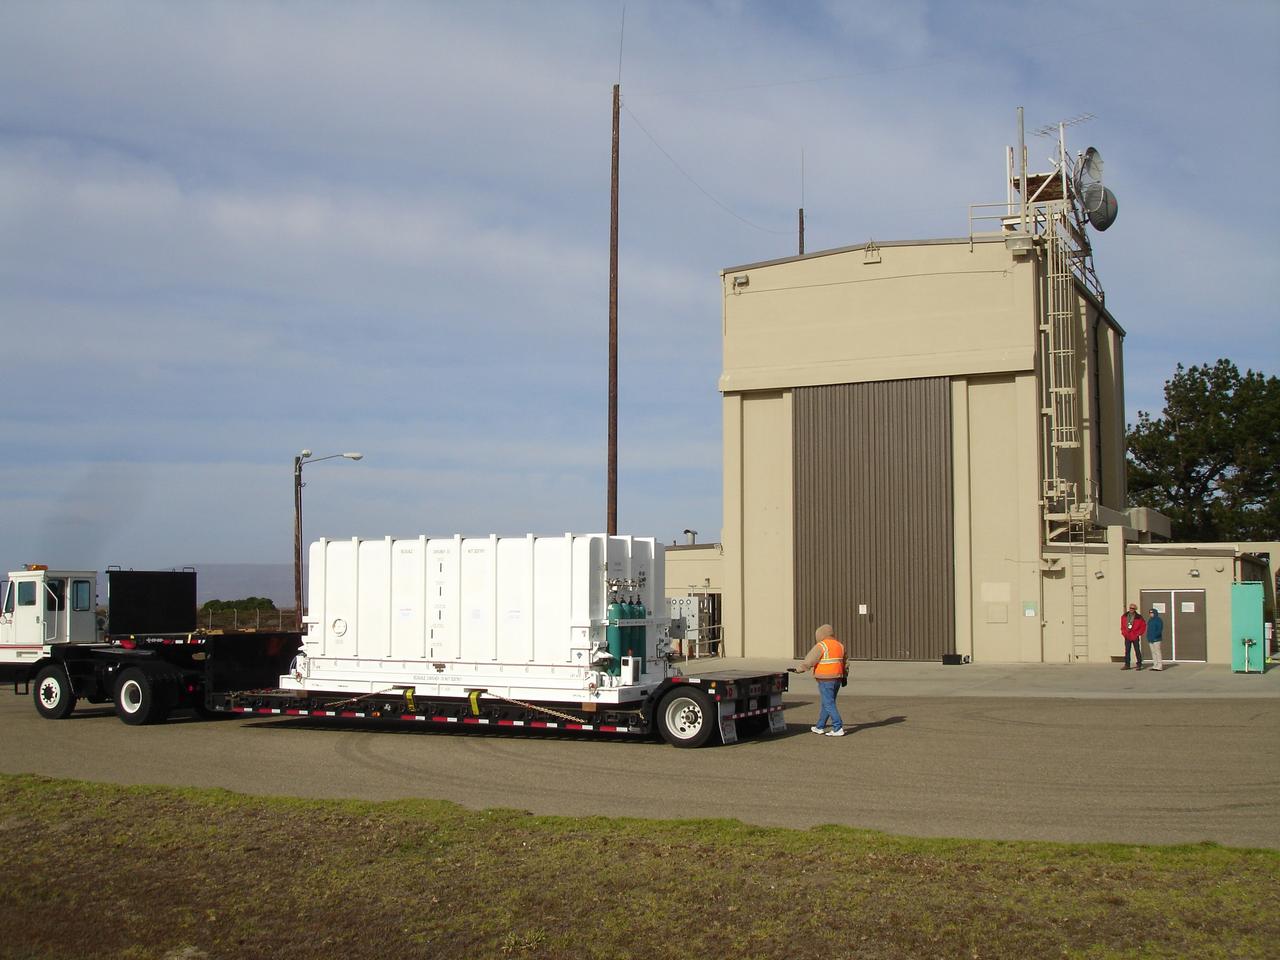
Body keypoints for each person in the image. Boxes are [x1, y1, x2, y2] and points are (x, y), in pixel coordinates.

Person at [798, 623, 847, 736]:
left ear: (820, 634)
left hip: (825, 679)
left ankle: (838, 727)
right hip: (837, 678)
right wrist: (845, 676)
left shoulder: (821, 645)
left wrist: (799, 669)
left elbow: (810, 660)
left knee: (828, 703)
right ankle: (819, 726)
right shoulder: (840, 645)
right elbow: (846, 662)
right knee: (827, 703)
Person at [1120, 603, 1146, 670]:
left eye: (1133, 608)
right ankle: (1127, 665)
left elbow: (1143, 626)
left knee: (1137, 650)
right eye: (1130, 608)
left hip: (1135, 636)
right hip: (1127, 636)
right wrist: (1124, 633)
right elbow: (1122, 626)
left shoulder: (1139, 617)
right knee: (1127, 651)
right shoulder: (1124, 616)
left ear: (1135, 609)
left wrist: (1138, 633)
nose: (1131, 609)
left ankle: (1139, 664)